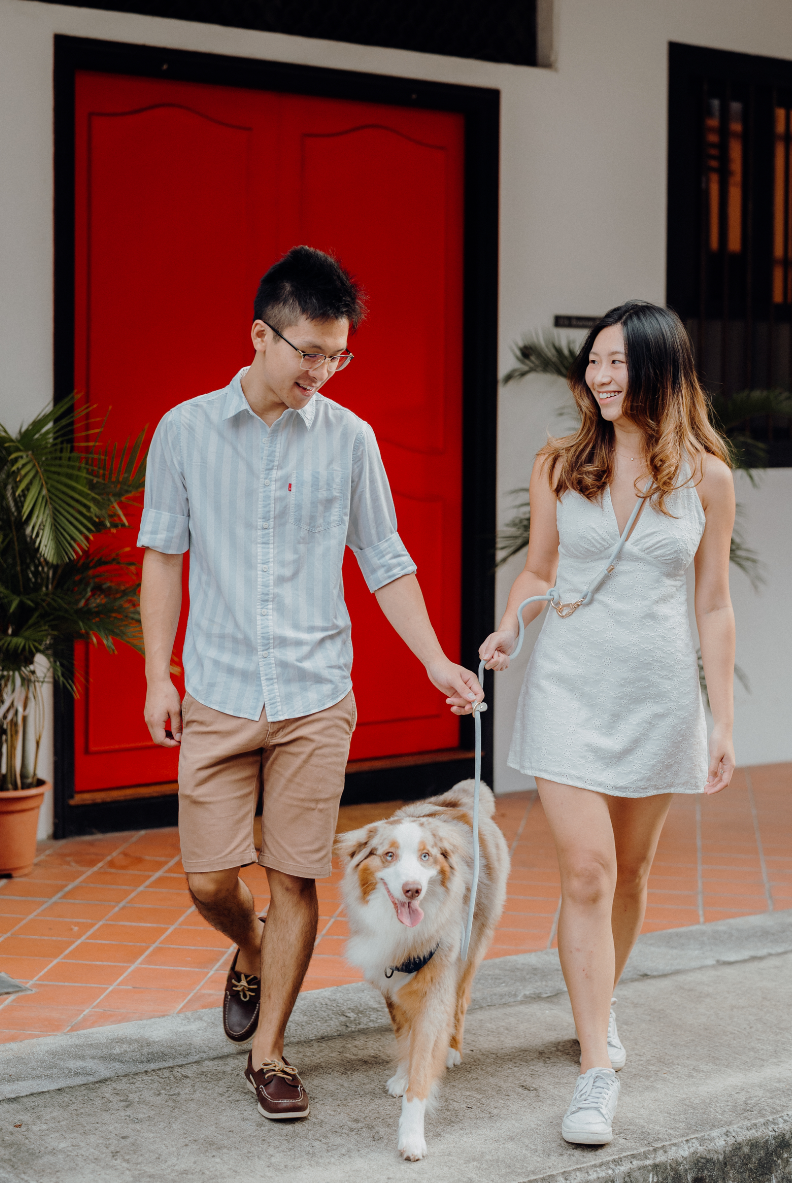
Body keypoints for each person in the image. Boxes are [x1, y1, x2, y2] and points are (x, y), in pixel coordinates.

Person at [139, 245, 483, 1120]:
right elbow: (163, 560)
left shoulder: (351, 440)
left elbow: (385, 559)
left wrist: (436, 660)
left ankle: (271, 1053)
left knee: (296, 876)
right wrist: (156, 673)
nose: (323, 371)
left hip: (316, 693)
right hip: (217, 688)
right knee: (209, 879)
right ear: (261, 334)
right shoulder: (183, 431)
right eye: (309, 352)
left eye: (339, 355)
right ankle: (249, 948)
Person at [479, 301, 736, 1146]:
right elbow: (538, 570)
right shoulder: (560, 463)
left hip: (660, 697)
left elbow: (713, 602)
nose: (602, 375)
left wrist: (722, 720)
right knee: (586, 871)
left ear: (662, 367)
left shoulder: (706, 478)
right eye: (595, 362)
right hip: (569, 692)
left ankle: (599, 1000)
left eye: (620, 361)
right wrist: (512, 623)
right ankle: (595, 1066)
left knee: (628, 874)